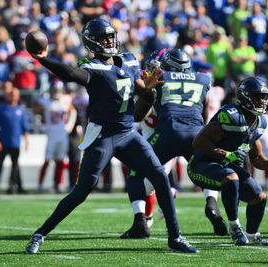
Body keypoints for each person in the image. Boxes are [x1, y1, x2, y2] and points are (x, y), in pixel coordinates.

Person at [25, 19, 198, 254]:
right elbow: (71, 74)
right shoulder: (91, 66)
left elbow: (140, 106)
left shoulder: (128, 60)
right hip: (103, 136)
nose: (109, 41)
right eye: (104, 38)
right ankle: (40, 234)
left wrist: (148, 92)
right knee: (81, 191)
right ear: (92, 41)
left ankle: (175, 237)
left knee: (159, 176)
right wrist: (43, 59)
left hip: (127, 133)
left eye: (110, 36)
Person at [121, 48, 226, 238]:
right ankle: (212, 202)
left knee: (141, 178)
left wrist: (145, 90)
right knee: (207, 167)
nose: (153, 69)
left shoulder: (158, 81)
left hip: (162, 136)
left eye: (157, 66)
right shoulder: (200, 79)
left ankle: (144, 219)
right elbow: (204, 113)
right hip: (192, 131)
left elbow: (137, 115)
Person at [187, 77, 268, 246]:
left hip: (226, 168)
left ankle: (252, 235)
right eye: (257, 96)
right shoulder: (230, 115)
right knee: (232, 177)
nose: (262, 101)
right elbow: (198, 142)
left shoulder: (260, 122)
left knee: (259, 197)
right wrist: (225, 155)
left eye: (263, 96)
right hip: (201, 166)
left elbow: (257, 158)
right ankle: (235, 227)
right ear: (245, 97)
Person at [35, 80, 76, 194]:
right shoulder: (46, 102)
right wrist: (41, 126)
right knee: (47, 160)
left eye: (58, 90)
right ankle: (39, 185)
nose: (57, 92)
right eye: (55, 90)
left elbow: (73, 112)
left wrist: (69, 126)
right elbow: (33, 113)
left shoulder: (66, 100)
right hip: (52, 136)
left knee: (61, 160)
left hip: (62, 135)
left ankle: (59, 184)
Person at [0, 88, 29, 195]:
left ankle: (13, 186)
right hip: (3, 142)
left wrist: (27, 142)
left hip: (15, 143)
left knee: (15, 166)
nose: (13, 96)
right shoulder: (2, 109)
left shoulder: (20, 111)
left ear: (18, 96)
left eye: (15, 94)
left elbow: (25, 128)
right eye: (11, 94)